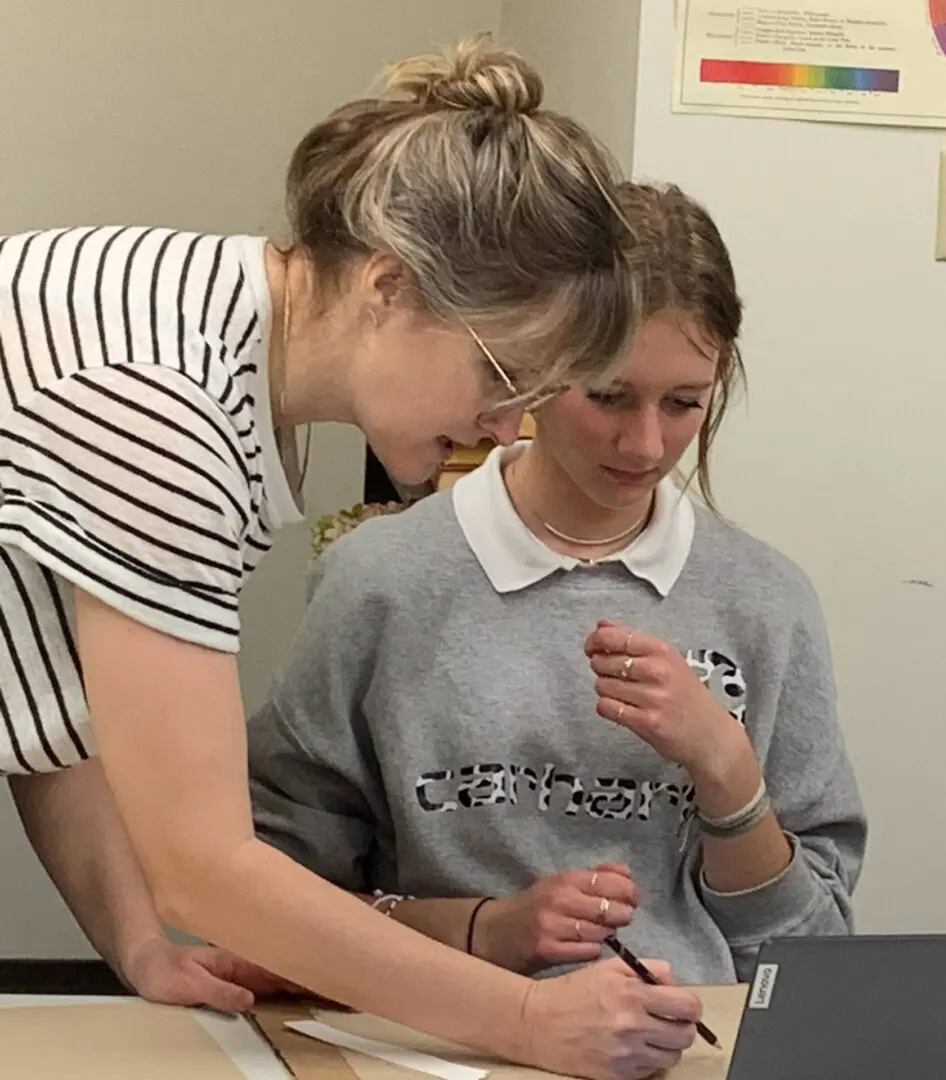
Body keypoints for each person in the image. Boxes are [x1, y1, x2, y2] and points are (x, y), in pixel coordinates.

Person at [0, 32, 669, 1080]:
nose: (505, 428)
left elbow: (54, 694)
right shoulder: (158, 403)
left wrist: (139, 942)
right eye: (504, 376)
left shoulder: (212, 332)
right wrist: (529, 1024)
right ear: (390, 287)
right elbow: (206, 867)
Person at [248, 180, 867, 1071]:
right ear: (534, 367)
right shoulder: (383, 583)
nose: (647, 447)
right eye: (610, 397)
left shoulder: (765, 600)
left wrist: (728, 773)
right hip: (433, 1046)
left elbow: (812, 950)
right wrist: (484, 931)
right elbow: (279, 898)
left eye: (685, 403)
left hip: (694, 1055)